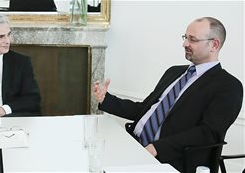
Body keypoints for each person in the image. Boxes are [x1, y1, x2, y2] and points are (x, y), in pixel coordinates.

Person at [93, 17, 243, 172]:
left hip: (171, 159)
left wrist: (157, 148)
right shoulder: (174, 72)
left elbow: (208, 133)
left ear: (214, 44)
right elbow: (144, 109)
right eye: (185, 37)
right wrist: (107, 100)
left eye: (193, 39)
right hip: (134, 144)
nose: (185, 44)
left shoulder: (228, 86)